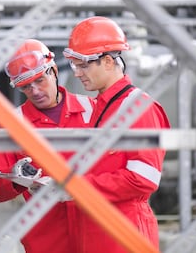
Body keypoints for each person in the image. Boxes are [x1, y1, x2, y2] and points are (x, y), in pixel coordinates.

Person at [62, 16, 171, 252]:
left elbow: (144, 178)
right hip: (95, 224)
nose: (78, 73)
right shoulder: (99, 107)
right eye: (74, 65)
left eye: (83, 65)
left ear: (109, 62)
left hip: (124, 228)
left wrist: (78, 185)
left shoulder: (138, 108)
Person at [0, 39, 94, 253]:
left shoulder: (91, 110)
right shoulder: (15, 123)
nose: (35, 91)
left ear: (53, 71)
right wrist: (15, 178)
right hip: (46, 237)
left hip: (93, 228)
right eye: (26, 86)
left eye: (40, 80)